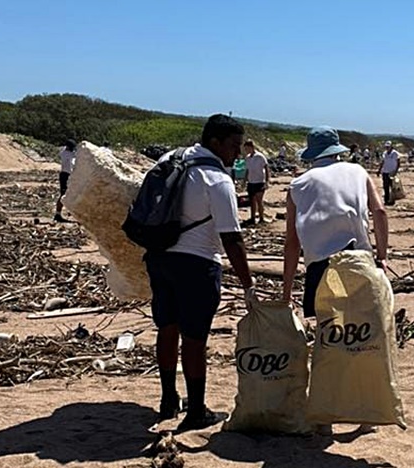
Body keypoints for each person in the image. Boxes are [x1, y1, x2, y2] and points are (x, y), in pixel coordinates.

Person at [145, 114, 255, 432]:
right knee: (194, 340)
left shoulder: (171, 159)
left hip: (160, 258)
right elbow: (232, 238)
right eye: (233, 146)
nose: (237, 154)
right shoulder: (217, 180)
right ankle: (196, 411)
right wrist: (247, 283)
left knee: (167, 329)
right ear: (215, 142)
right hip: (197, 264)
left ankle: (168, 400)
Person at [282, 126, 389, 317]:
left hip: (319, 266)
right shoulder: (358, 172)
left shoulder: (297, 185)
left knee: (328, 331)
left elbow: (292, 242)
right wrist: (382, 256)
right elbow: (379, 212)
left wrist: (287, 293)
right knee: (362, 327)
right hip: (358, 259)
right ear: (336, 150)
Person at [242, 140, 269, 226]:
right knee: (252, 201)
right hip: (251, 182)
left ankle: (261, 218)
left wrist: (267, 181)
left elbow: (266, 168)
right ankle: (252, 218)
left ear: (251, 147)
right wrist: (244, 181)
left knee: (259, 201)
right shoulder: (247, 158)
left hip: (259, 181)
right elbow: (247, 170)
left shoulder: (260, 156)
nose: (246, 150)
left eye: (247, 148)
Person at [54, 139, 76, 222]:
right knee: (63, 194)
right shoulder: (69, 154)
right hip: (66, 175)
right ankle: (58, 214)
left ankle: (59, 213)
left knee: (65, 194)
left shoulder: (63, 152)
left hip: (65, 174)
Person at [378, 140, 401, 206]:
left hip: (392, 172)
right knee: (385, 186)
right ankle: (386, 200)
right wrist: (379, 170)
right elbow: (382, 162)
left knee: (393, 187)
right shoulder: (384, 153)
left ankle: (392, 200)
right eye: (386, 147)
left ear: (391, 147)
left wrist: (396, 171)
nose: (387, 148)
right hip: (385, 172)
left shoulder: (395, 153)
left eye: (388, 146)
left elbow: (398, 162)